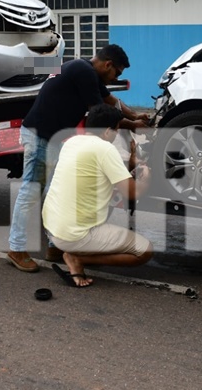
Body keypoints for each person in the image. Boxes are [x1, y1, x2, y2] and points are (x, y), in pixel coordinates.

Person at [6, 45, 148, 273]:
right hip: (38, 134)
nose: (116, 78)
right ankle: (16, 248)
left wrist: (135, 115)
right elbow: (100, 114)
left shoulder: (86, 68)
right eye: (117, 73)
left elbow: (109, 99)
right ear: (108, 64)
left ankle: (55, 246)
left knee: (54, 191)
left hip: (53, 137)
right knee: (31, 191)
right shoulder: (83, 71)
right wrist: (133, 125)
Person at [42, 104, 153, 288]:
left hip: (52, 227)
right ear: (108, 131)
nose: (117, 135)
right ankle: (77, 258)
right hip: (72, 235)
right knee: (144, 251)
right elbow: (133, 193)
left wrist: (131, 164)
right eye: (117, 130)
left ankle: (76, 251)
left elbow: (97, 172)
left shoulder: (71, 142)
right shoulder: (105, 149)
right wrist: (146, 176)